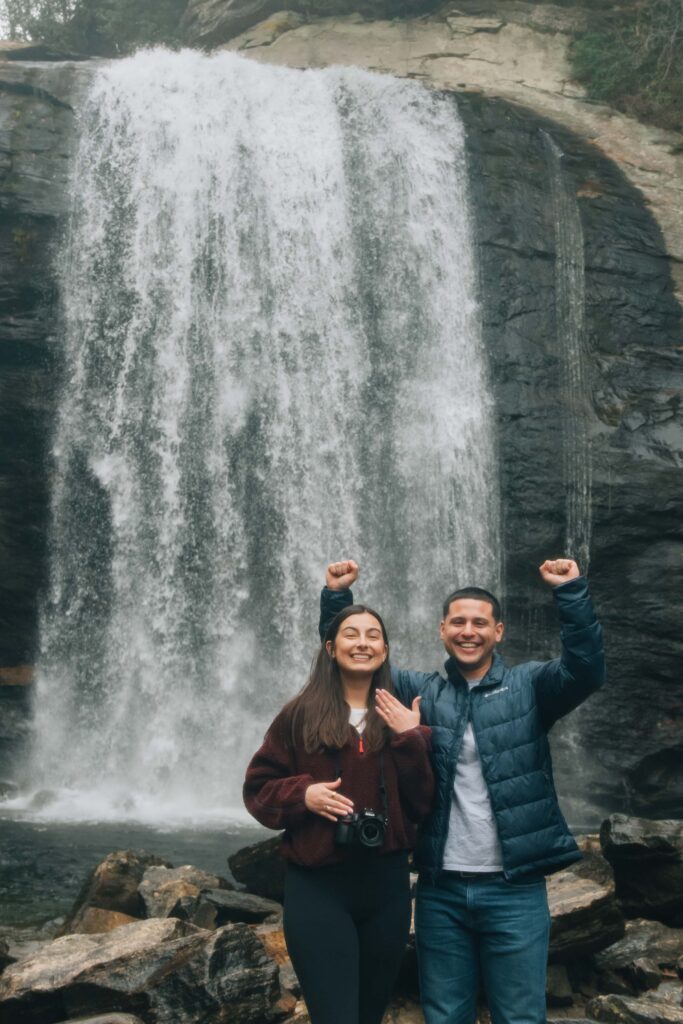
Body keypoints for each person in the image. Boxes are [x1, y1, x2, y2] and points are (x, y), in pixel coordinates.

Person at [320, 558, 606, 1024]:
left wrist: (571, 591)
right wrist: (337, 598)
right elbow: (353, 659)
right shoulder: (420, 691)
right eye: (458, 622)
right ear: (441, 630)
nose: (467, 631)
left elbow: (587, 670)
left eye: (479, 623)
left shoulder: (531, 686)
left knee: (520, 1016)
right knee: (444, 1015)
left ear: (499, 631)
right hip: (440, 889)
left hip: (515, 888)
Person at [243, 603, 435, 1024]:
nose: (362, 643)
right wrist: (303, 794)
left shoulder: (403, 718)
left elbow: (423, 805)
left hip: (387, 889)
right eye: (351, 634)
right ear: (330, 647)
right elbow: (257, 789)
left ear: (384, 650)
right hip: (318, 889)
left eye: (372, 635)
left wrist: (410, 739)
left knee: (368, 1016)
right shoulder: (300, 715)